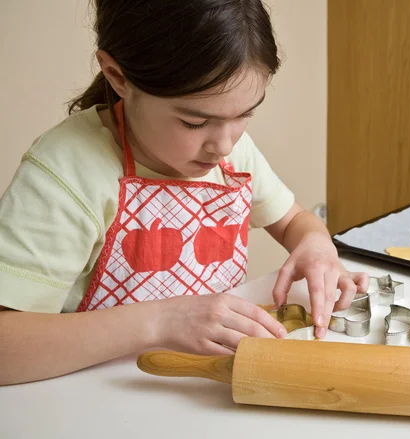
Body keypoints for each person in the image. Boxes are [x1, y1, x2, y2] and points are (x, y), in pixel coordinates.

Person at [0, 0, 368, 385]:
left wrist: (317, 245)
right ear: (117, 76)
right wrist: (162, 320)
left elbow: (294, 220)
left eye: (245, 114)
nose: (224, 145)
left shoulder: (230, 154)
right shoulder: (67, 171)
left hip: (205, 388)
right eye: (194, 122)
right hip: (99, 397)